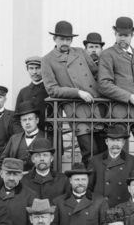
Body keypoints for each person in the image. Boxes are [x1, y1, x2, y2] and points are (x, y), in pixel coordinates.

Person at [40, 20, 104, 162]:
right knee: (90, 151)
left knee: (103, 149)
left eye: (68, 39)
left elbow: (96, 73)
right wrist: (78, 92)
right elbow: (52, 90)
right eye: (61, 39)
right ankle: (91, 177)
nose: (65, 43)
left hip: (96, 106)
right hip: (76, 109)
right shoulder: (47, 60)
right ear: (54, 39)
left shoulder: (80, 52)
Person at [97, 16, 134, 163]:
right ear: (115, 34)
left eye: (126, 35)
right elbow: (104, 84)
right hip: (118, 113)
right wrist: (129, 96)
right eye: (120, 35)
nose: (122, 38)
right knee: (117, 152)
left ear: (131, 35)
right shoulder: (107, 54)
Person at [89, 124, 134, 208]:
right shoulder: (95, 160)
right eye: (112, 140)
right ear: (106, 141)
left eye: (118, 140)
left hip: (124, 208)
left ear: (123, 142)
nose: (115, 144)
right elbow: (89, 187)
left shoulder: (133, 161)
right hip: (100, 208)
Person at [0, 100, 51, 170]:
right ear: (21, 122)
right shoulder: (14, 139)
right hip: (15, 175)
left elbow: (51, 164)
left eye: (30, 119)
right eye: (24, 120)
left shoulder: (47, 138)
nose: (27, 122)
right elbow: (1, 161)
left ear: (37, 120)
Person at [23, 137, 67, 201]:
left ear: (51, 158)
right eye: (37, 155)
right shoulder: (23, 180)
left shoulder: (64, 179)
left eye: (45, 155)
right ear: (32, 159)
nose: (42, 159)